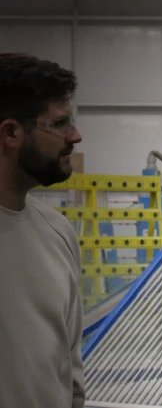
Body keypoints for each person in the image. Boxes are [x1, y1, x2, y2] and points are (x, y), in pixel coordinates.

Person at [0, 53, 85, 408]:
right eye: (61, 123)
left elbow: (70, 368)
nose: (76, 136)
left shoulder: (57, 232)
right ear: (11, 133)